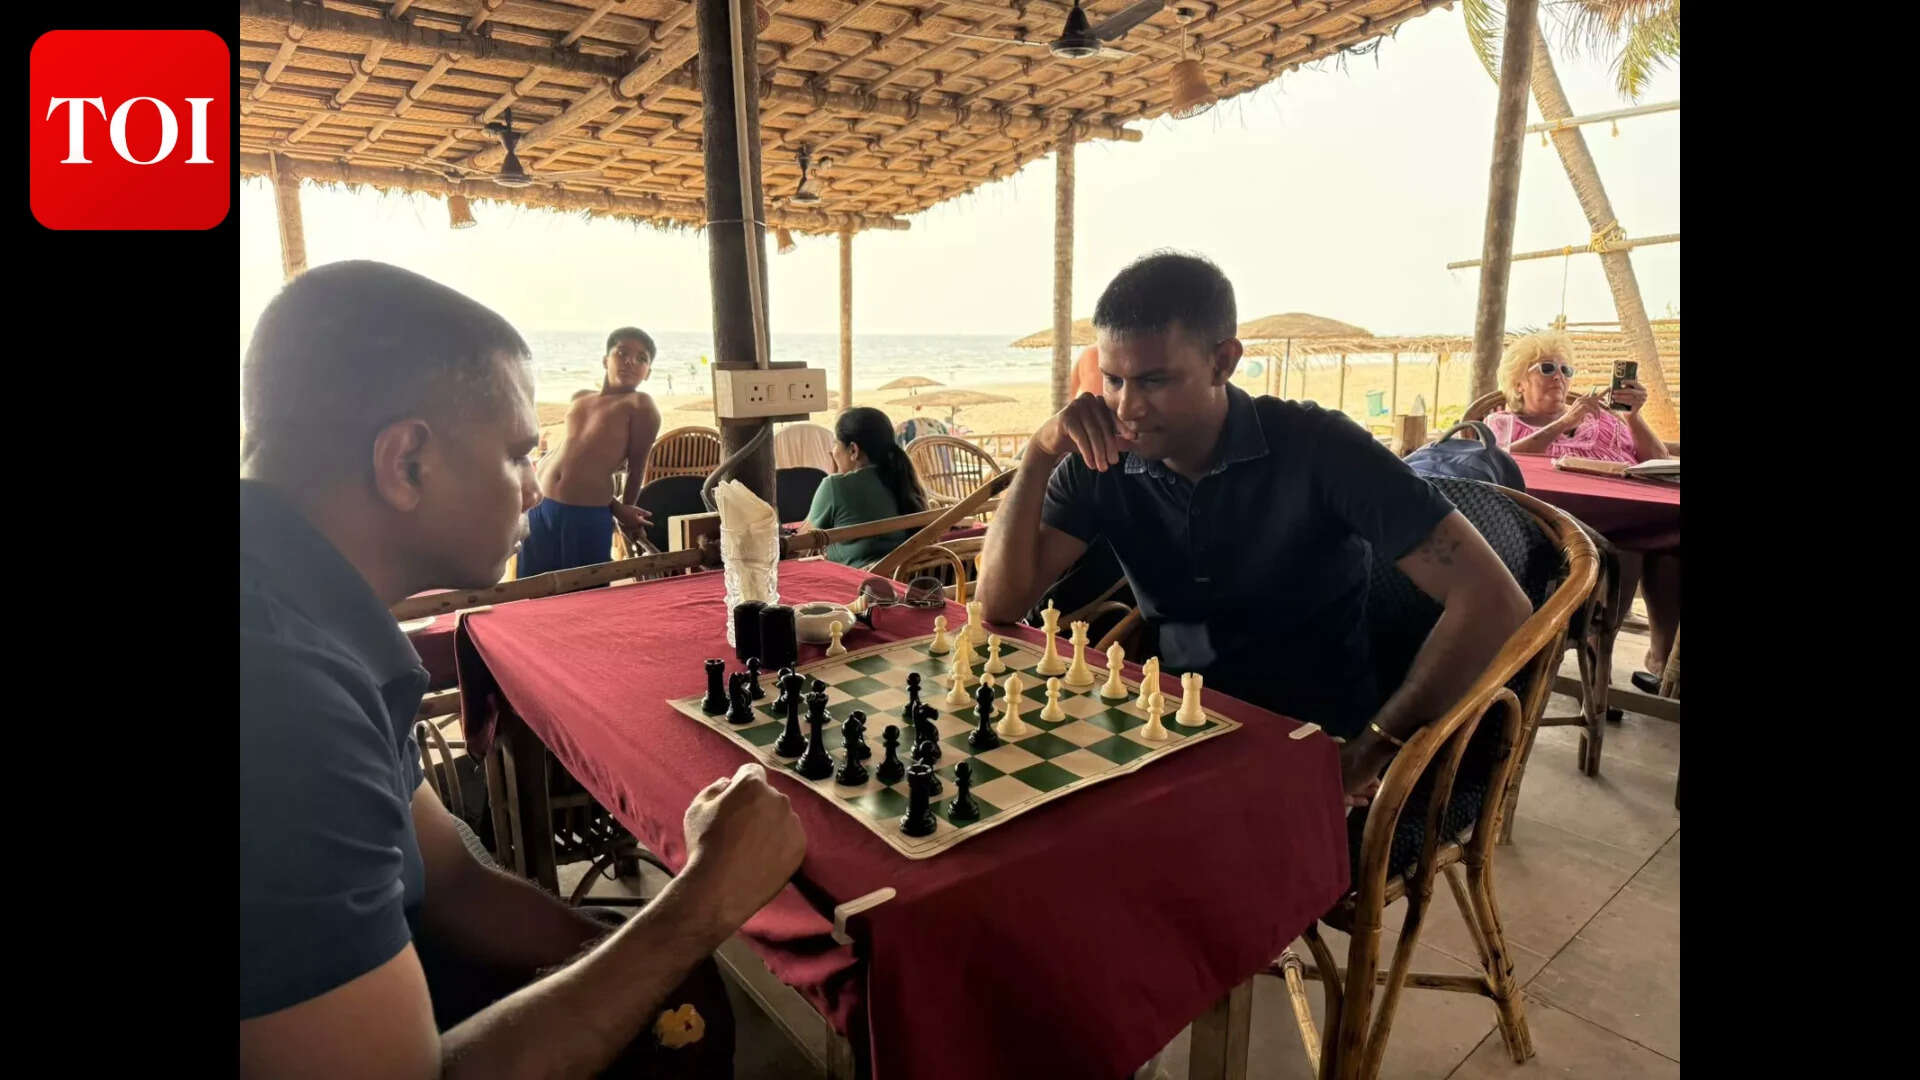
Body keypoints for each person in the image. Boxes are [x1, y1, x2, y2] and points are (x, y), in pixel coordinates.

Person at [240, 261, 806, 1077]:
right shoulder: (281, 698)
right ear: (407, 463)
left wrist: (646, 962)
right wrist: (698, 908)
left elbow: (455, 879)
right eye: (517, 457)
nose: (536, 492)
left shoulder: (312, 618)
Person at [976, 252, 1532, 800]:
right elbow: (998, 604)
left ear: (1224, 361)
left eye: (1154, 381)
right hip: (1167, 726)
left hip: (1309, 737)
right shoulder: (1101, 461)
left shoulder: (1322, 448)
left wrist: (1369, 751)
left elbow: (1495, 602)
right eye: (1114, 381)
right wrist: (1039, 452)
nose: (1128, 408)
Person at [1484, 331, 1678, 684]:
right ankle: (1594, 656)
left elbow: (1659, 462)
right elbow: (1501, 461)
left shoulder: (1604, 420)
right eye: (1546, 368)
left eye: (1565, 369)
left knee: (1665, 545)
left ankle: (1659, 664)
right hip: (1545, 529)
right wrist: (1565, 423)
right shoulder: (1504, 423)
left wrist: (1634, 417)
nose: (1559, 375)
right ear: (1518, 383)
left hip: (1620, 517)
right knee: (1627, 547)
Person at [523, 328, 662, 573]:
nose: (630, 361)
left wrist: (625, 510)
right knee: (531, 591)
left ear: (648, 373)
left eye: (642, 358)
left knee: (586, 594)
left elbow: (638, 466)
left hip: (584, 513)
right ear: (605, 360)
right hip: (540, 503)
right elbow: (572, 451)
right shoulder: (580, 398)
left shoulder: (640, 405)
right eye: (622, 352)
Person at [806, 406, 928, 567]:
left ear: (853, 450)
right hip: (905, 583)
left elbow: (801, 544)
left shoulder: (834, 487)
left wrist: (835, 481)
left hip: (859, 587)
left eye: (836, 444)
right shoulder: (904, 479)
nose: (833, 451)